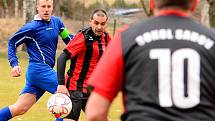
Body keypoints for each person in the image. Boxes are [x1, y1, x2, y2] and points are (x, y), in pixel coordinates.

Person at [85, 0, 215, 121]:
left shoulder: (126, 37)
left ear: (152, 3)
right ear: (194, 4)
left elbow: (95, 112)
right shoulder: (212, 40)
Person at [0, 0, 73, 120]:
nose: (46, 9)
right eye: (43, 6)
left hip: (41, 73)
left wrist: (84, 42)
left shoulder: (57, 22)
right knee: (65, 95)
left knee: (19, 108)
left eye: (49, 6)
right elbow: (12, 42)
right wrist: (14, 64)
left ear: (52, 7)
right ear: (37, 8)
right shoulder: (32, 27)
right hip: (38, 70)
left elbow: (69, 39)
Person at [56, 9, 111, 121]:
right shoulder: (82, 37)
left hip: (92, 89)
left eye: (102, 24)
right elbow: (62, 57)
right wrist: (61, 84)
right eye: (96, 23)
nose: (99, 27)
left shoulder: (106, 38)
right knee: (71, 118)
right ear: (91, 22)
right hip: (75, 87)